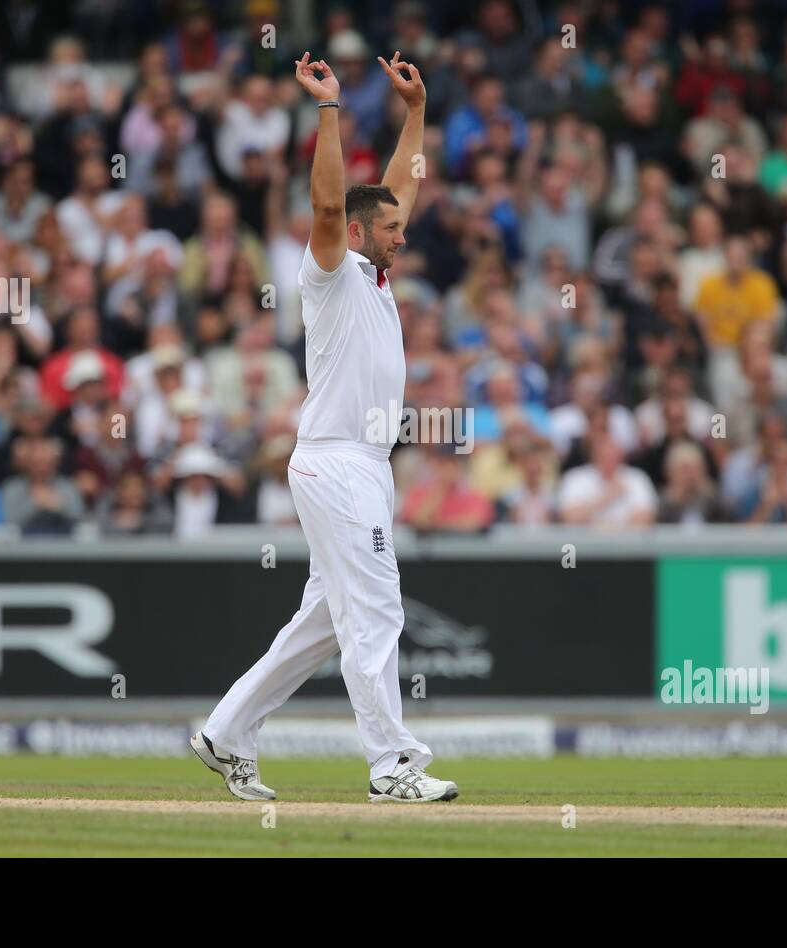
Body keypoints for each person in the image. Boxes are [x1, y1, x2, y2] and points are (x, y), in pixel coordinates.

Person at [193, 51, 459, 804]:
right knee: (376, 609)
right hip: (337, 462)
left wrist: (416, 113)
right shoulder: (332, 271)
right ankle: (392, 765)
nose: (403, 236)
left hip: (362, 464)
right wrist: (330, 110)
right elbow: (328, 206)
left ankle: (226, 733)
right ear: (359, 229)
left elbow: (401, 184)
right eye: (391, 228)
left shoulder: (375, 271)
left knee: (324, 622)